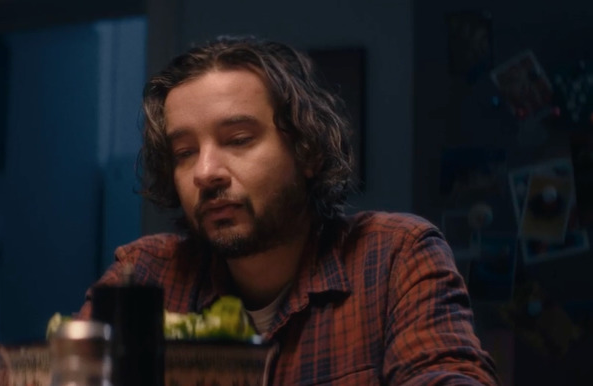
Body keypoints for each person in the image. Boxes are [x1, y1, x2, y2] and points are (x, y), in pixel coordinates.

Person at [78, 36, 498, 385]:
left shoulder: (395, 256)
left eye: (239, 139)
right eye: (185, 152)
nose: (204, 173)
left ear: (306, 151)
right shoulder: (148, 273)